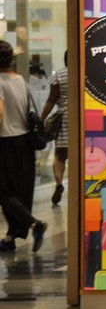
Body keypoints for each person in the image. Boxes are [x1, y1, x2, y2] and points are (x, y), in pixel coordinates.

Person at [0, 40, 46, 253]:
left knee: (4, 192)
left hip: (5, 141)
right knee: (20, 191)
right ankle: (11, 237)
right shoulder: (20, 80)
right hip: (24, 142)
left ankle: (34, 223)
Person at [41, 53, 69, 205]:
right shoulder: (85, 73)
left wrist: (41, 119)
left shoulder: (59, 74)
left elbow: (51, 99)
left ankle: (59, 184)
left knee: (60, 155)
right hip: (82, 116)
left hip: (63, 116)